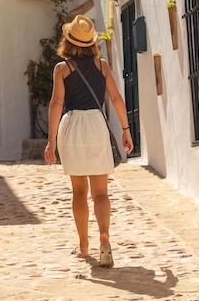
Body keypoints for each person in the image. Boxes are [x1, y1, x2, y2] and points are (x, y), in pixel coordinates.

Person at [43, 14, 133, 268]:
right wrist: (125, 129)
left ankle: (84, 245)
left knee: (79, 191)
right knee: (101, 192)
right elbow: (115, 98)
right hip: (96, 125)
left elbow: (56, 104)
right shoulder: (102, 66)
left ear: (68, 41)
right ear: (91, 42)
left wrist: (51, 141)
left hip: (71, 126)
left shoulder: (61, 69)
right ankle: (104, 235)